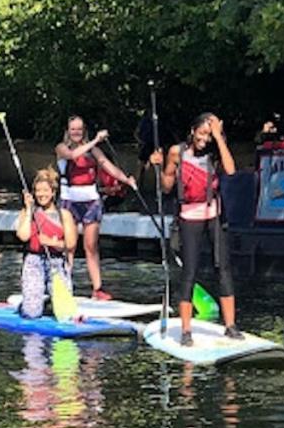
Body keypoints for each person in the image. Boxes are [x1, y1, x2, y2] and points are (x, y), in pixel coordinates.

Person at [151, 113, 241, 345]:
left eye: (208, 136)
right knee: (189, 271)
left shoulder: (215, 151)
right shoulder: (176, 152)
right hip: (189, 217)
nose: (205, 140)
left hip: (214, 216)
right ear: (192, 131)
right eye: (202, 134)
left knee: (223, 268)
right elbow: (167, 186)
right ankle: (186, 330)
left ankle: (230, 326)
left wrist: (219, 137)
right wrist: (160, 167)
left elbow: (230, 171)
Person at [55, 115, 136, 300]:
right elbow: (72, 156)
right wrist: (95, 140)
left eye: (79, 129)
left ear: (84, 130)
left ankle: (97, 289)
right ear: (68, 131)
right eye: (73, 129)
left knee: (91, 246)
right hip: (69, 201)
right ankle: (64, 286)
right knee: (70, 245)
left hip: (91, 201)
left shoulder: (94, 151)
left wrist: (126, 180)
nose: (76, 132)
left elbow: (108, 166)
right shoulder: (61, 148)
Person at [14, 167, 78, 319]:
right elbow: (23, 236)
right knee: (32, 313)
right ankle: (27, 304)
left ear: (53, 192)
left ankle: (50, 301)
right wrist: (29, 210)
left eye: (45, 190)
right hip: (33, 261)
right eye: (38, 191)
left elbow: (70, 244)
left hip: (56, 262)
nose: (41, 195)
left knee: (65, 314)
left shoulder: (64, 215)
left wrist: (51, 242)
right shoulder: (28, 212)